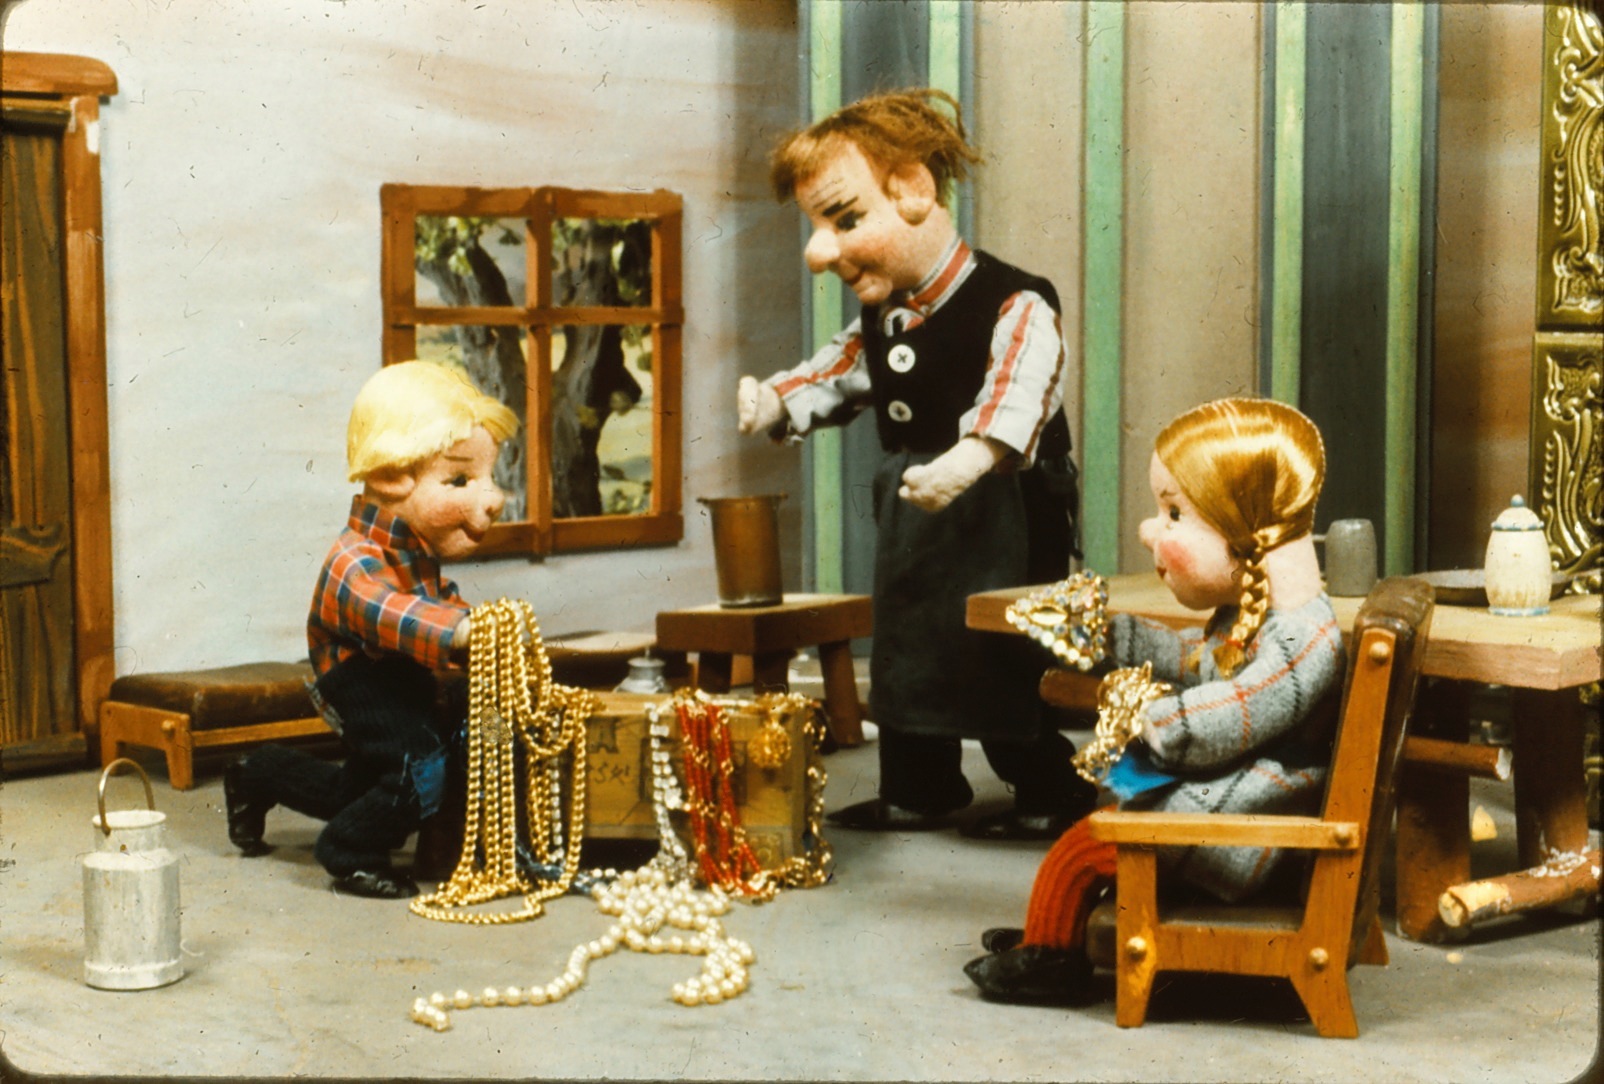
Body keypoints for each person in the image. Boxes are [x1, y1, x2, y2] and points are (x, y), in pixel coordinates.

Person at [737, 88, 1094, 840]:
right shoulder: (885, 313)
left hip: (1005, 506)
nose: (819, 252)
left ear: (913, 191)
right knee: (908, 642)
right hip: (918, 511)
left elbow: (1021, 391)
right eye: (817, 227)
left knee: (1003, 647)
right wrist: (775, 400)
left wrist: (972, 457)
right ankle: (920, 786)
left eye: (844, 220)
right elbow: (841, 369)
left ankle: (1047, 787)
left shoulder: (1014, 300)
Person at [964, 396, 1346, 1004]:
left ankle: (1051, 958)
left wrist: (1150, 717)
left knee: (1086, 848)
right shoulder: (1273, 619)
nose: (1149, 531)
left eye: (1173, 514)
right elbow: (1202, 664)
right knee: (1103, 819)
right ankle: (1054, 932)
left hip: (1249, 834)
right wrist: (1118, 638)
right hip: (1234, 808)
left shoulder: (1302, 643)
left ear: (1244, 528)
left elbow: (1234, 712)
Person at [223, 360, 517, 899]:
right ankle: (349, 851)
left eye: (488, 478)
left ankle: (257, 771)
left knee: (355, 789)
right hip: (360, 680)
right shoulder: (354, 559)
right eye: (460, 480)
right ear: (390, 476)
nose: (492, 498)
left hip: (400, 675)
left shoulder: (414, 552)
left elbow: (435, 600)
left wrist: (479, 626)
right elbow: (388, 612)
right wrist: (461, 631)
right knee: (419, 767)